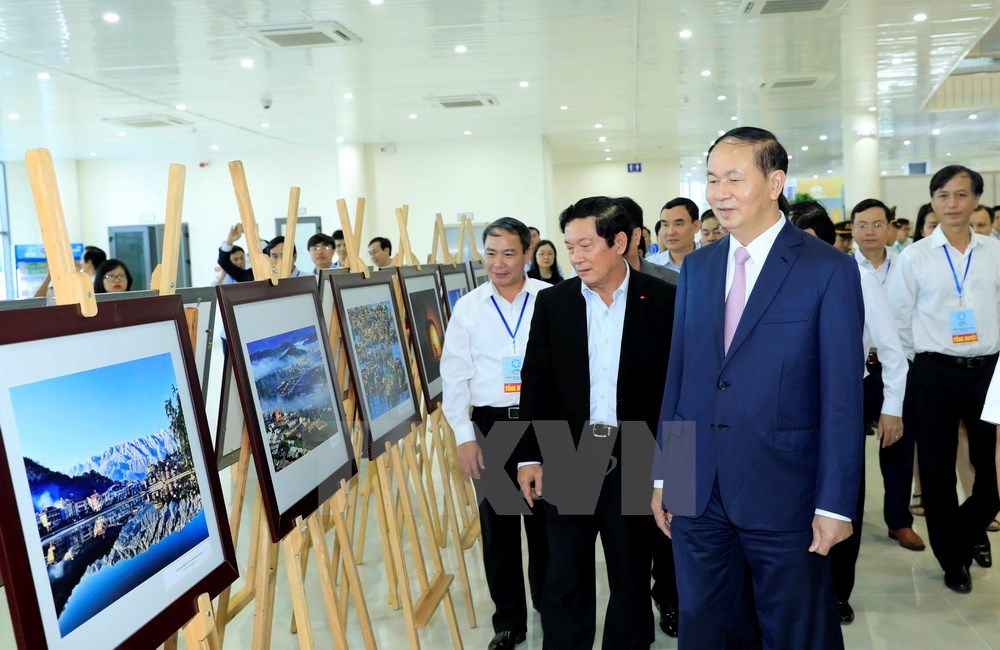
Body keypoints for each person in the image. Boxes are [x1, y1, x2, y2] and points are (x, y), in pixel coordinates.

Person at [653, 126, 864, 649]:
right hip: (699, 492)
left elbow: (842, 398)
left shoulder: (828, 270)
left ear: (775, 182)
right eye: (711, 180)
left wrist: (836, 505)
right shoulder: (698, 269)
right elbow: (680, 379)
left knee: (795, 631)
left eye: (733, 178)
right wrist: (669, 478)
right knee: (705, 628)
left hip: (784, 491)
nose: (718, 192)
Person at [515, 196, 675, 649]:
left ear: (619, 242)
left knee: (630, 573)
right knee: (564, 573)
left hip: (638, 451)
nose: (576, 257)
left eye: (586, 245)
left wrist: (676, 472)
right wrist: (529, 455)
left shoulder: (664, 301)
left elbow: (680, 391)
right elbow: (536, 381)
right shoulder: (554, 303)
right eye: (569, 247)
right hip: (570, 450)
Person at [795, 200, 912, 624]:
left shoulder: (855, 276)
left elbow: (893, 351)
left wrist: (892, 409)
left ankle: (837, 591)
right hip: (791, 407)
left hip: (843, 399)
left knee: (842, 497)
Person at [888, 164, 1000, 594]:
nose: (951, 204)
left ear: (976, 200)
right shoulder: (915, 256)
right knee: (935, 473)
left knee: (989, 475)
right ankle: (953, 561)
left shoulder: (992, 251)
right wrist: (921, 366)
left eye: (960, 195)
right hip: (933, 372)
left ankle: (966, 527)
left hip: (986, 372)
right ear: (933, 202)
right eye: (942, 196)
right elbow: (899, 321)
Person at [441, 217, 549, 650]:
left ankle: (549, 604)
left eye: (508, 253)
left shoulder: (551, 299)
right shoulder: (468, 306)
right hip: (492, 426)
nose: (498, 263)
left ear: (527, 253)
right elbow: (454, 375)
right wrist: (465, 435)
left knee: (549, 523)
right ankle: (508, 622)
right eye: (491, 253)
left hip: (545, 423)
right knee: (499, 528)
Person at [848, 199, 925, 553]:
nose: (870, 232)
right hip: (856, 372)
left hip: (898, 368)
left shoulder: (907, 266)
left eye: (877, 224)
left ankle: (899, 520)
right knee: (848, 449)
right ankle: (846, 517)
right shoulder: (842, 269)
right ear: (852, 229)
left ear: (890, 228)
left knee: (898, 444)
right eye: (862, 225)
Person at [616, 196, 679, 286]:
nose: (609, 241)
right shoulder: (593, 282)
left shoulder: (670, 280)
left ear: (636, 235)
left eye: (617, 235)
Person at [648, 198, 700, 272]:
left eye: (678, 224)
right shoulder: (651, 267)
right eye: (665, 225)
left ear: (696, 226)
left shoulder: (714, 262)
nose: (670, 232)